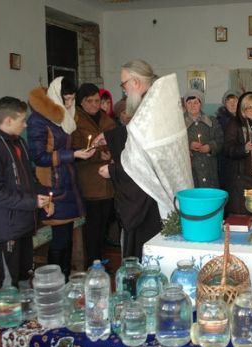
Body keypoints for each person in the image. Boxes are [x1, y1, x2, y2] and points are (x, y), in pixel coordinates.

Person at [96, 60, 193, 258]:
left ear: (136, 82)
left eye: (124, 84)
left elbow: (142, 161)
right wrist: (109, 137)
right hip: (160, 188)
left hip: (151, 197)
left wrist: (113, 171)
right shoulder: (154, 105)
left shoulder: (151, 108)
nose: (123, 90)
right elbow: (138, 136)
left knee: (148, 250)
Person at [0, 96, 52, 288]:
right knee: (10, 282)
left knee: (26, 276)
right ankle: (9, 318)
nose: (25, 125)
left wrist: (45, 196)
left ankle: (24, 317)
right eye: (22, 120)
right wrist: (32, 202)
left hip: (24, 222)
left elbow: (31, 180)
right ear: (8, 120)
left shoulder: (18, 143)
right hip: (7, 227)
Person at [27, 77, 94, 277]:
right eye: (66, 99)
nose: (68, 104)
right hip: (52, 184)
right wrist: (72, 154)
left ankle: (64, 279)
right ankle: (54, 282)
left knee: (67, 237)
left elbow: (64, 149)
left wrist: (81, 152)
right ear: (55, 95)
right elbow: (38, 157)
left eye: (72, 99)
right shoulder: (38, 119)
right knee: (60, 238)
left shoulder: (65, 117)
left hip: (67, 180)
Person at [71, 83, 117, 266]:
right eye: (89, 101)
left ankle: (101, 258)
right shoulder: (75, 121)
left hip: (107, 182)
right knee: (93, 226)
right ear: (81, 103)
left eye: (97, 100)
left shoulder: (106, 119)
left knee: (104, 224)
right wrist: (100, 153)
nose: (94, 105)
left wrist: (112, 153)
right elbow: (75, 150)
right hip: (89, 180)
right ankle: (93, 262)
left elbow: (116, 141)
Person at [184, 89, 224, 188]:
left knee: (209, 197)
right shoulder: (179, 124)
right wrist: (188, 145)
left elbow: (220, 139)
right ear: (185, 105)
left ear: (201, 104)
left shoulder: (211, 121)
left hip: (209, 168)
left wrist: (210, 147)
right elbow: (174, 144)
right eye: (189, 103)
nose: (192, 106)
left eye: (196, 102)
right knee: (193, 196)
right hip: (190, 169)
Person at [215, 90, 239, 190]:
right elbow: (217, 142)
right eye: (229, 101)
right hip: (225, 163)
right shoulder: (218, 121)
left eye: (235, 100)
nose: (232, 104)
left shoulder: (246, 119)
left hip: (241, 162)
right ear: (225, 104)